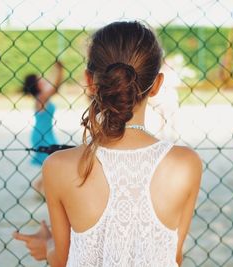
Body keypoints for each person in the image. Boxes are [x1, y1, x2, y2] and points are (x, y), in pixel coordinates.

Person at [16, 21, 202, 267]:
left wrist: (47, 246)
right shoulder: (186, 164)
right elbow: (173, 256)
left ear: (90, 82)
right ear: (156, 85)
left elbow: (61, 260)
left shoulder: (58, 166)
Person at [23, 61, 63, 194]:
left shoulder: (41, 97)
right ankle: (42, 188)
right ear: (38, 85)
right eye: (41, 78)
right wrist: (59, 70)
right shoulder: (42, 98)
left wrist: (55, 69)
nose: (44, 79)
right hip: (42, 136)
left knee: (53, 162)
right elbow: (55, 86)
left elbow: (52, 85)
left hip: (45, 134)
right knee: (54, 162)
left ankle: (39, 187)